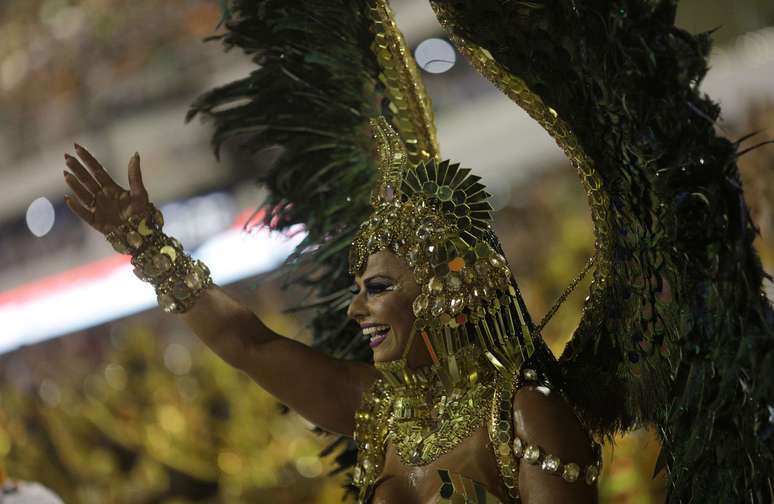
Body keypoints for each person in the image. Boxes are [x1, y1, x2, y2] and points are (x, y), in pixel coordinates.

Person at [63, 0, 773, 502]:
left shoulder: (524, 413)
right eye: (361, 287)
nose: (357, 307)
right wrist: (146, 244)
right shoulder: (380, 407)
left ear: (446, 286)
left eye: (376, 286)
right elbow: (249, 344)